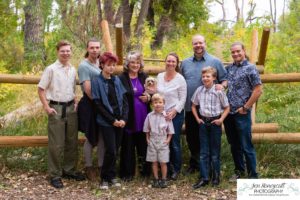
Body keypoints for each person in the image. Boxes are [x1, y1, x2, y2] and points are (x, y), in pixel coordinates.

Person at [38, 40, 85, 189]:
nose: (65, 53)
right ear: (58, 52)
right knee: (56, 144)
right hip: (56, 108)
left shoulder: (72, 69)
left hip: (71, 108)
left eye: (68, 51)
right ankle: (55, 175)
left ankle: (69, 170)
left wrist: (76, 101)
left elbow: (72, 88)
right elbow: (41, 89)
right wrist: (46, 107)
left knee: (71, 142)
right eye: (62, 51)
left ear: (71, 52)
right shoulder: (51, 69)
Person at [181, 34, 227, 175]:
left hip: (210, 110)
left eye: (200, 43)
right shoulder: (185, 63)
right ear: (192, 45)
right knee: (192, 137)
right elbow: (180, 81)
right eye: (195, 43)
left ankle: (210, 167)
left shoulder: (215, 61)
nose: (198, 45)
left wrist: (223, 86)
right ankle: (195, 163)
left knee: (210, 139)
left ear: (205, 43)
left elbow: (225, 79)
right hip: (191, 107)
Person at [224, 42, 262, 181]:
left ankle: (253, 175)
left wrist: (246, 107)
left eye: (238, 51)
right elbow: (226, 83)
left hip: (242, 113)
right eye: (233, 52)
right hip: (229, 113)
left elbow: (258, 90)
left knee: (246, 145)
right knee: (234, 145)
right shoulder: (229, 69)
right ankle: (239, 171)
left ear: (244, 51)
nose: (235, 54)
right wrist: (221, 86)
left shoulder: (251, 68)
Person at [91, 52, 128, 189]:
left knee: (116, 149)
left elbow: (124, 101)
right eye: (108, 65)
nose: (111, 68)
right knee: (111, 150)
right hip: (106, 121)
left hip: (120, 121)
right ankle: (104, 179)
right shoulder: (96, 81)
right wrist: (112, 120)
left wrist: (124, 119)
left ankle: (112, 177)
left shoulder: (117, 80)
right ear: (102, 65)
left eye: (113, 65)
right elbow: (97, 104)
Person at [191, 67, 230, 189]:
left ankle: (216, 176)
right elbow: (193, 105)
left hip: (215, 123)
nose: (205, 78)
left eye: (208, 76)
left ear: (214, 78)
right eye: (203, 77)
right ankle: (204, 177)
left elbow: (227, 107)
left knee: (214, 152)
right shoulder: (199, 90)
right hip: (203, 123)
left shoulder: (219, 91)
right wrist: (197, 119)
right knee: (203, 152)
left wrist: (221, 119)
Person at [118, 51, 151, 181]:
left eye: (137, 62)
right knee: (128, 146)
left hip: (143, 116)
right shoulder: (122, 78)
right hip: (129, 116)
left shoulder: (144, 76)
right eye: (132, 62)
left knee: (143, 144)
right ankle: (127, 174)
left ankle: (145, 172)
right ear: (127, 64)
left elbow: (153, 93)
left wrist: (149, 96)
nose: (135, 65)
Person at [77, 38, 104, 181]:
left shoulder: (101, 63)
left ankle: (101, 166)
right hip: (90, 104)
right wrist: (103, 102)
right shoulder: (84, 66)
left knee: (101, 135)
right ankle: (88, 167)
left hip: (101, 105)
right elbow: (88, 90)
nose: (94, 50)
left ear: (100, 48)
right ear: (87, 49)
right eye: (92, 47)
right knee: (90, 136)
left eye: (97, 47)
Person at [156, 52, 187, 180]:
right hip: (161, 114)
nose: (170, 63)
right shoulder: (159, 76)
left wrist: (174, 111)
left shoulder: (180, 79)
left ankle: (175, 169)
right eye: (168, 61)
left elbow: (183, 98)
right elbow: (156, 93)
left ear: (177, 63)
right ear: (165, 62)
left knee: (173, 142)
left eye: (173, 61)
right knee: (163, 142)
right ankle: (165, 167)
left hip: (175, 114)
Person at [143, 93, 174, 188]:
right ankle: (156, 179)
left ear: (164, 104)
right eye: (155, 102)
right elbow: (147, 129)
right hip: (152, 140)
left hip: (163, 140)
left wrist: (168, 140)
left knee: (163, 162)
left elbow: (170, 131)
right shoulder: (149, 116)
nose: (158, 104)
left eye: (160, 102)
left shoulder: (167, 116)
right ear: (152, 104)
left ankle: (164, 179)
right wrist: (147, 139)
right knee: (154, 161)